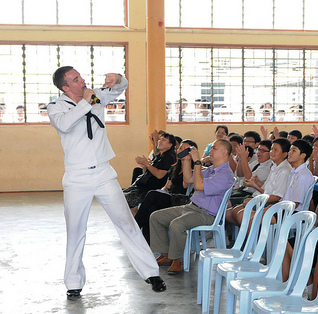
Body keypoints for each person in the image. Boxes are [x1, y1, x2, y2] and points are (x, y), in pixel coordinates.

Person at [47, 66, 166, 298]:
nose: (81, 81)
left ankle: (151, 273)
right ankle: (73, 283)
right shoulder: (56, 107)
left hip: (103, 172)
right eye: (75, 79)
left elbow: (121, 88)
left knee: (126, 222)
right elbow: (65, 124)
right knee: (75, 229)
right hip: (77, 176)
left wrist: (118, 79)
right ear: (65, 87)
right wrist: (87, 101)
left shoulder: (95, 96)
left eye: (80, 76)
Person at [150, 139, 235, 275]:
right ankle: (165, 254)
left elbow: (198, 186)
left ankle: (177, 260)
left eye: (214, 148)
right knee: (156, 217)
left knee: (177, 224)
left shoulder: (225, 175)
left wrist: (197, 162)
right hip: (192, 207)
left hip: (207, 214)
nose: (210, 151)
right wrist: (186, 161)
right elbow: (189, 179)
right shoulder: (213, 170)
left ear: (224, 152)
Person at [122, 132, 178, 211]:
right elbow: (148, 173)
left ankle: (135, 214)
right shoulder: (159, 156)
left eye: (163, 140)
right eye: (160, 139)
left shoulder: (169, 157)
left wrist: (148, 165)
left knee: (122, 199)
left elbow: (159, 175)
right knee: (119, 195)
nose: (159, 141)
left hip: (151, 189)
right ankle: (134, 213)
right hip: (143, 187)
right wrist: (145, 167)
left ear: (170, 145)